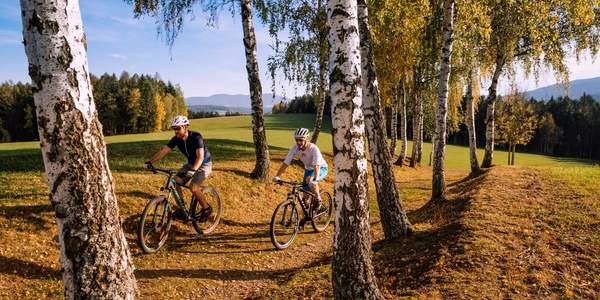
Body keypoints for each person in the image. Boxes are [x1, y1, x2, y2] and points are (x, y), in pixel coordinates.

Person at [145, 115, 212, 222]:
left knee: (193, 188)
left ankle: (206, 208)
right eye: (174, 129)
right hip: (191, 164)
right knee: (175, 181)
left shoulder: (196, 137)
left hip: (204, 164)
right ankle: (182, 209)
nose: (175, 131)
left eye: (178, 128)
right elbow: (164, 151)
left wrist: (193, 170)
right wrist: (150, 161)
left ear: (185, 127)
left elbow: (200, 157)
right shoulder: (176, 139)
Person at [273, 128, 328, 214]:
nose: (298, 142)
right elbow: (286, 163)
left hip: (321, 168)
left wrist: (315, 180)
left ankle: (319, 201)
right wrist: (277, 176)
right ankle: (308, 216)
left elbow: (316, 166)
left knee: (310, 180)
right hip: (309, 169)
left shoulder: (313, 148)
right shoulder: (295, 148)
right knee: (305, 196)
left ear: (306, 139)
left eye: (301, 140)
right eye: (296, 140)